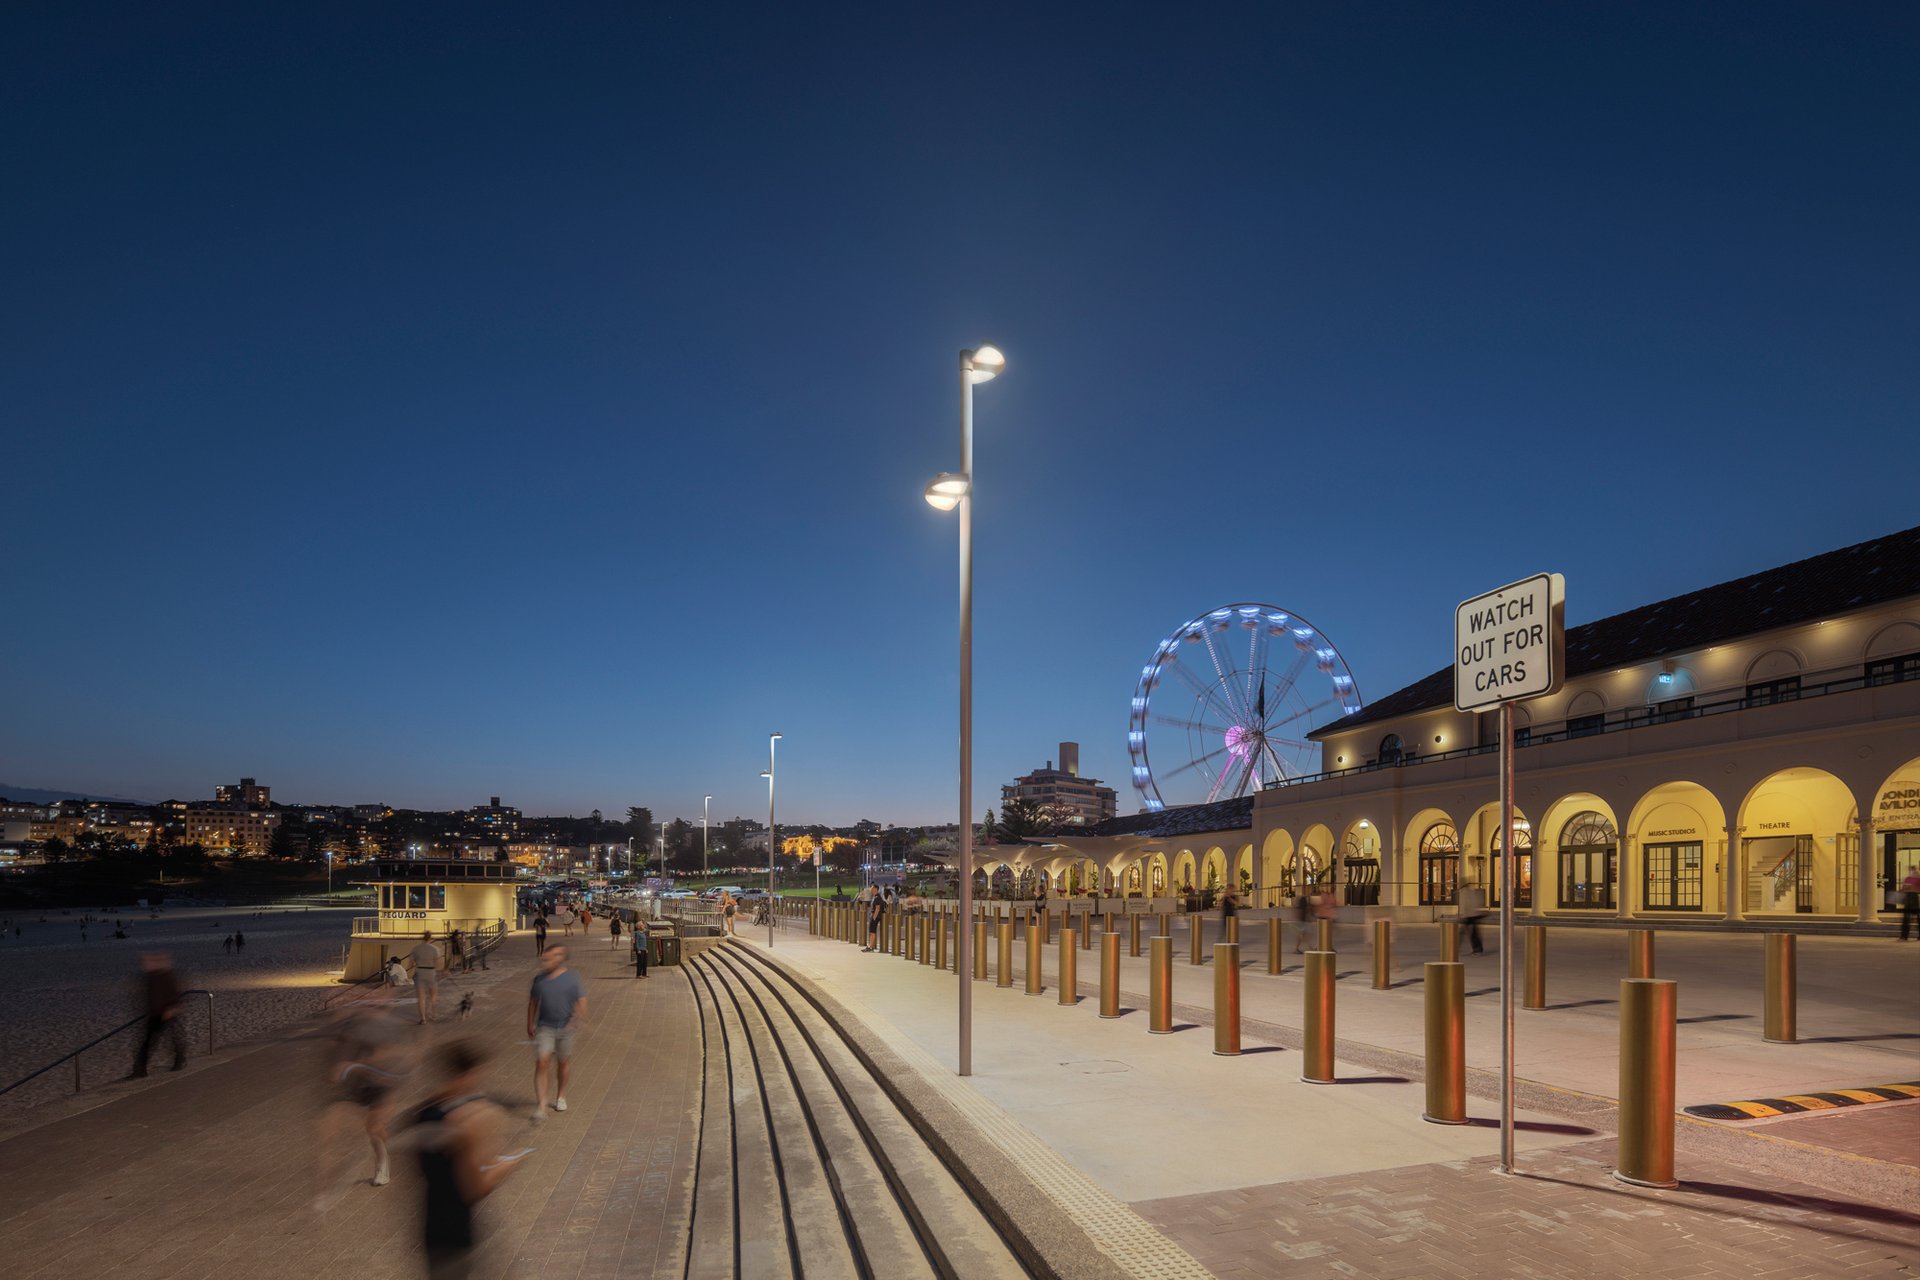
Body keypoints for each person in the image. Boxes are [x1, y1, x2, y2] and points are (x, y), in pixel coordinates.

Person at [414, 1039, 525, 1280]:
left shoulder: (423, 1113)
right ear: (467, 1075)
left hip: (431, 1226)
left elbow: (423, 1169)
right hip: (458, 1231)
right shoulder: (463, 1125)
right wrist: (508, 1164)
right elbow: (475, 1188)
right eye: (478, 1076)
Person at [318, 1003, 409, 1199]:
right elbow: (343, 1052)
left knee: (374, 1126)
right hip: (363, 1085)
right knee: (365, 1126)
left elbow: (385, 1058)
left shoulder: (386, 1033)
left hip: (387, 1082)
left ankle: (383, 1164)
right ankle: (381, 1149)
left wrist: (349, 1066)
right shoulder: (354, 1031)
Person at [527, 945, 587, 1120]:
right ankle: (541, 1105)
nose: (546, 961)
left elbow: (581, 1000)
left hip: (566, 1029)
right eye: (545, 958)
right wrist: (529, 1023)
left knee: (563, 1062)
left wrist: (578, 1019)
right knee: (542, 1062)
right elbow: (533, 1002)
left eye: (551, 958)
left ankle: (561, 1096)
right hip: (545, 1027)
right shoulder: (539, 980)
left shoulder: (572, 978)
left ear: (560, 959)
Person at [132, 952, 187, 1077]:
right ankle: (141, 1068)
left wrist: (171, 1008)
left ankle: (141, 1068)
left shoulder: (163, 977)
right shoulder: (153, 977)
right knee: (157, 1040)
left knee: (155, 1041)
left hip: (165, 1013)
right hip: (157, 1013)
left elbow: (172, 993)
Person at [411, 931, 443, 1024]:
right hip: (431, 973)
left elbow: (411, 963)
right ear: (430, 938)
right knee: (433, 996)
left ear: (422, 938)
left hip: (420, 973)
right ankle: (433, 1015)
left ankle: (423, 1019)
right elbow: (439, 964)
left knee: (421, 998)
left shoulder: (416, 949)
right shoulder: (435, 949)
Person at [1900, 868, 1920, 941]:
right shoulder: (1907, 879)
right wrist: (1905, 889)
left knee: (1918, 918)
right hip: (1908, 899)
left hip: (1914, 899)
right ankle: (1904, 936)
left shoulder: (1918, 879)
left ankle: (1904, 936)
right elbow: (1902, 889)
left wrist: (1913, 888)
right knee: (1906, 919)